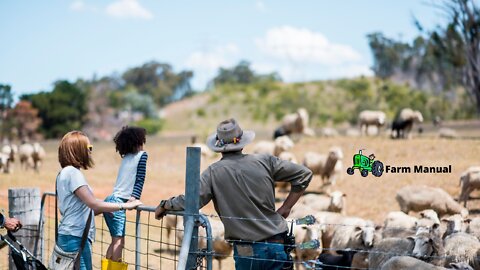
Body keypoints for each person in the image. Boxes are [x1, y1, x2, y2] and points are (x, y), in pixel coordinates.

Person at [154, 118, 312, 270]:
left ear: (218, 145)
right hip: (277, 244)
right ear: (242, 141)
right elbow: (304, 174)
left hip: (246, 251)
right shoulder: (265, 162)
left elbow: (191, 200)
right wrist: (286, 207)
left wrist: (166, 205)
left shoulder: (213, 173)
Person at [56, 131, 142, 270]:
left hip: (70, 235)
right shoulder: (73, 174)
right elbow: (92, 203)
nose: (91, 151)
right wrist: (125, 206)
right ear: (78, 149)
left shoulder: (64, 173)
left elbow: (82, 208)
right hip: (76, 237)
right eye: (89, 147)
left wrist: (105, 208)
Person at [104, 126, 148, 262]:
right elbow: (140, 179)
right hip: (119, 202)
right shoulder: (142, 155)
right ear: (138, 142)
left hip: (110, 200)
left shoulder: (126, 158)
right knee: (119, 243)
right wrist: (134, 198)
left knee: (114, 241)